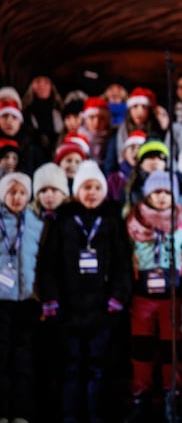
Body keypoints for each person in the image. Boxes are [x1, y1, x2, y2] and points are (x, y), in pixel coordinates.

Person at [38, 160, 133, 423]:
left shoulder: (112, 221)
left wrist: (117, 299)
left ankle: (96, 415)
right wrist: (51, 301)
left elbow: (123, 264)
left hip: (102, 309)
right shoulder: (64, 221)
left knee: (98, 368)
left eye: (96, 187)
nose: (91, 193)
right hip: (69, 309)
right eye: (85, 187)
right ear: (77, 190)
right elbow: (49, 265)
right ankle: (70, 416)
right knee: (71, 367)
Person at [124, 171, 182, 422]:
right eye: (156, 192)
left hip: (172, 295)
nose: (161, 198)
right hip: (143, 295)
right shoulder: (133, 222)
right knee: (142, 348)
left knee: (172, 348)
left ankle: (173, 395)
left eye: (167, 192)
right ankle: (141, 394)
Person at [0, 173, 44, 423]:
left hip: (27, 300)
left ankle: (21, 413)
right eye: (11, 192)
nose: (16, 197)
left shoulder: (37, 224)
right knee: (2, 358)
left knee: (23, 359)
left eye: (22, 193)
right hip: (1, 301)